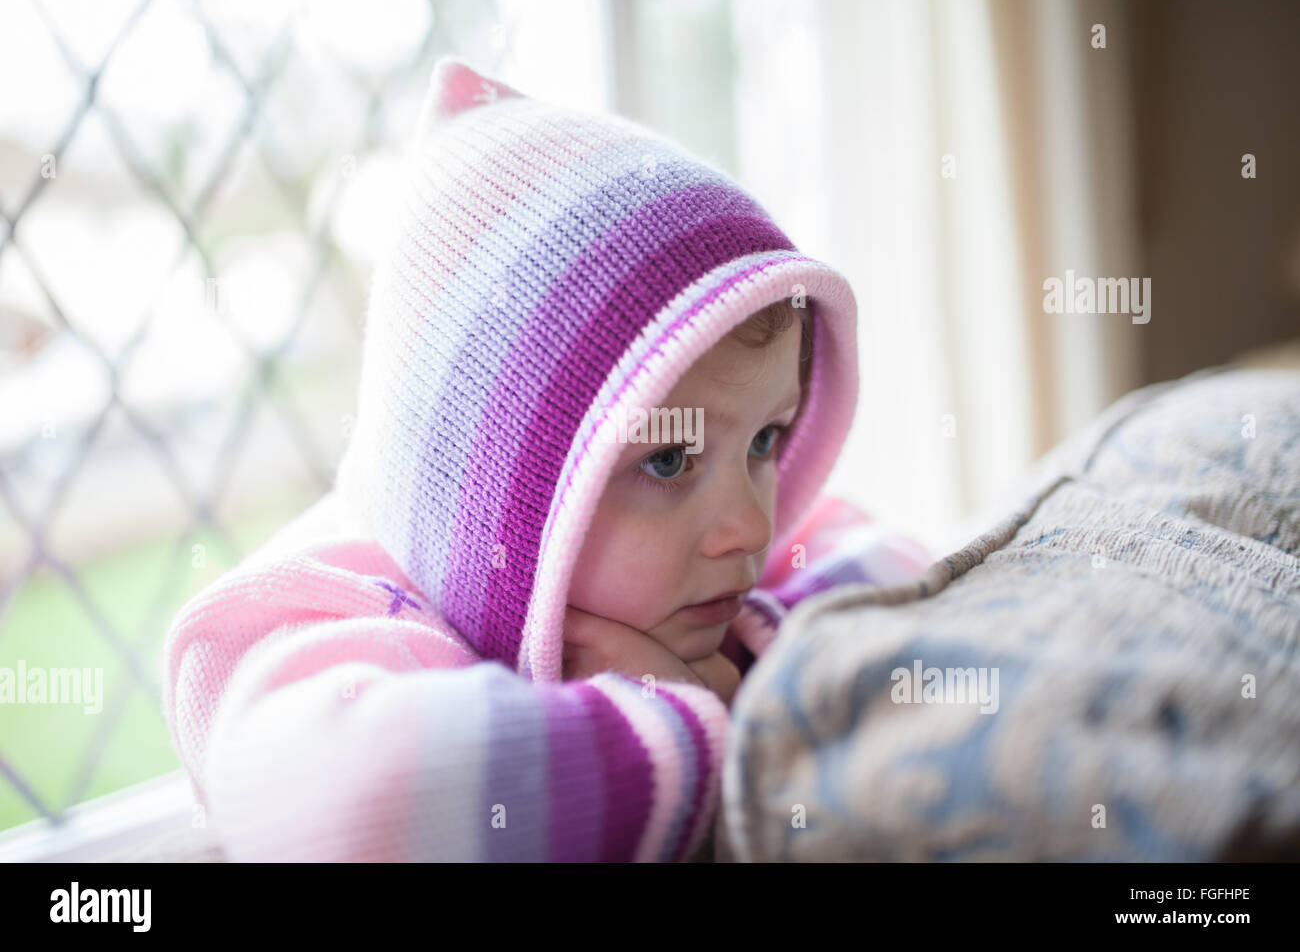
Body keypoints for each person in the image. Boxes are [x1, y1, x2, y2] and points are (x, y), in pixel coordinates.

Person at [161, 56, 931, 862]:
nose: (748, 524)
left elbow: (903, 570)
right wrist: (681, 715)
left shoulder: (701, 577)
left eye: (766, 441)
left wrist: (757, 666)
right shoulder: (333, 609)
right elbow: (357, 805)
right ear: (505, 495)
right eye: (668, 462)